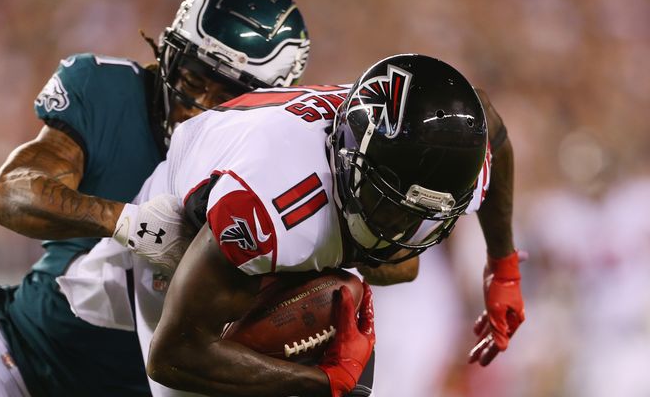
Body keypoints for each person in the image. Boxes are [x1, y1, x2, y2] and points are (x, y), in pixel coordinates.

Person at [0, 0, 310, 397]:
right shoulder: (107, 89)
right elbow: (10, 194)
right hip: (29, 357)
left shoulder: (282, 161)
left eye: (227, 95)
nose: (198, 106)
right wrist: (130, 223)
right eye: (193, 80)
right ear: (168, 54)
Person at [62, 53, 524, 396]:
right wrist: (323, 384)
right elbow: (174, 355)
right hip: (186, 230)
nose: (403, 230)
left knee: (398, 268)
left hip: (299, 211)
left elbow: (493, 131)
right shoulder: (269, 206)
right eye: (392, 207)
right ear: (349, 160)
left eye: (420, 216)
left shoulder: (456, 150)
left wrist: (503, 268)